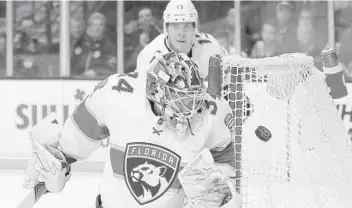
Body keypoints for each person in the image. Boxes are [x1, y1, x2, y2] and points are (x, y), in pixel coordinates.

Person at [23, 52, 241, 208]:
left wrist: (222, 184)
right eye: (179, 101)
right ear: (157, 92)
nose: (190, 111)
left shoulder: (211, 113)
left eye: (191, 100)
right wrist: (58, 160)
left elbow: (226, 154)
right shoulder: (118, 95)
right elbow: (80, 135)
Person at [135, 0, 225, 80]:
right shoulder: (149, 55)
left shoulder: (211, 46)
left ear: (195, 28)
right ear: (166, 29)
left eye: (186, 26)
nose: (181, 33)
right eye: (175, 27)